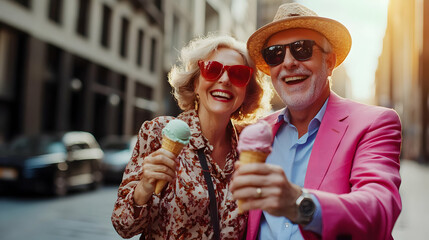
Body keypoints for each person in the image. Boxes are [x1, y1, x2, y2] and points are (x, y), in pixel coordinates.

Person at [230, 3, 402, 240]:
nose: (288, 62)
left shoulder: (375, 123)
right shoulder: (252, 133)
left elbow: (379, 209)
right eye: (275, 54)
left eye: (302, 49)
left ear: (329, 62)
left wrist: (298, 203)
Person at [111, 34, 272, 239]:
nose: (224, 79)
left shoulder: (250, 146)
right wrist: (144, 187)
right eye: (213, 70)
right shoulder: (158, 132)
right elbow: (123, 226)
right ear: (195, 83)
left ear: (246, 91)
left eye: (238, 74)